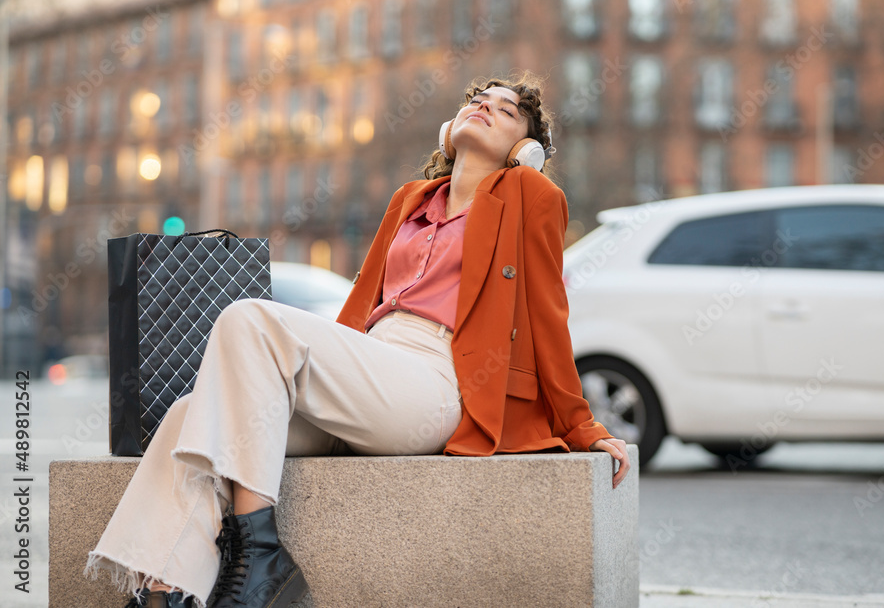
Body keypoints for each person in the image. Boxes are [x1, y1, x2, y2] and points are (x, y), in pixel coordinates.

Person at [83, 71, 630, 608]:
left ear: (526, 149)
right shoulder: (411, 200)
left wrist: (581, 426)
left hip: (433, 380)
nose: (485, 107)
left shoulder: (530, 194)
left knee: (249, 318)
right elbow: (362, 304)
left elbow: (547, 313)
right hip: (370, 370)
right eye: (478, 100)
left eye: (505, 110)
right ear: (449, 127)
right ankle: (164, 592)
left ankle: (260, 550)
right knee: (189, 413)